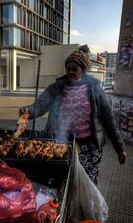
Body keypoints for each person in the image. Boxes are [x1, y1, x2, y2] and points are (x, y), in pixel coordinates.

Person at [19, 45, 126, 185]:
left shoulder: (94, 88)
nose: (70, 72)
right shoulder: (56, 87)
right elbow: (40, 105)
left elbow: (108, 119)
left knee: (87, 183)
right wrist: (28, 111)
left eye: (74, 69)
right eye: (67, 68)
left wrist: (120, 148)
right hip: (61, 143)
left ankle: (85, 207)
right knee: (63, 181)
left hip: (89, 147)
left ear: (83, 70)